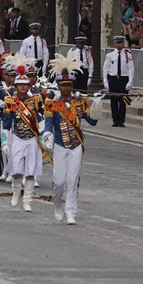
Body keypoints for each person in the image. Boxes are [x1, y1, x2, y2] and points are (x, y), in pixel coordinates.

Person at [44, 55, 97, 225]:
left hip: (76, 146)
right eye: (63, 85)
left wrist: (95, 105)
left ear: (72, 86)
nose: (66, 88)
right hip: (60, 145)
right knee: (59, 181)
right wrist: (47, 137)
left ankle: (71, 212)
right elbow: (47, 124)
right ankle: (58, 205)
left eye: (68, 85)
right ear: (59, 87)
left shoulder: (79, 102)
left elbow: (92, 121)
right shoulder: (52, 103)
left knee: (73, 180)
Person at [0, 66, 45, 212]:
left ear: (29, 85)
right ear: (16, 86)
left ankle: (27, 201)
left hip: (32, 138)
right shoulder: (11, 102)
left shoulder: (36, 100)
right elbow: (6, 124)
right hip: (17, 137)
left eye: (25, 84)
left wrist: (45, 136)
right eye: (20, 85)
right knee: (16, 170)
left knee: (31, 172)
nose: (23, 87)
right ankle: (15, 192)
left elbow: (44, 118)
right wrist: (5, 141)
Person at [102, 35, 133, 127]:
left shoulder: (128, 55)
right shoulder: (110, 55)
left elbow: (131, 69)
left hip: (124, 79)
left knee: (123, 101)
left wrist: (130, 81)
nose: (118, 45)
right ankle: (115, 120)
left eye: (120, 43)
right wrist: (105, 81)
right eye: (117, 43)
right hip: (113, 79)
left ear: (123, 44)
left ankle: (121, 120)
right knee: (114, 101)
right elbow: (106, 69)